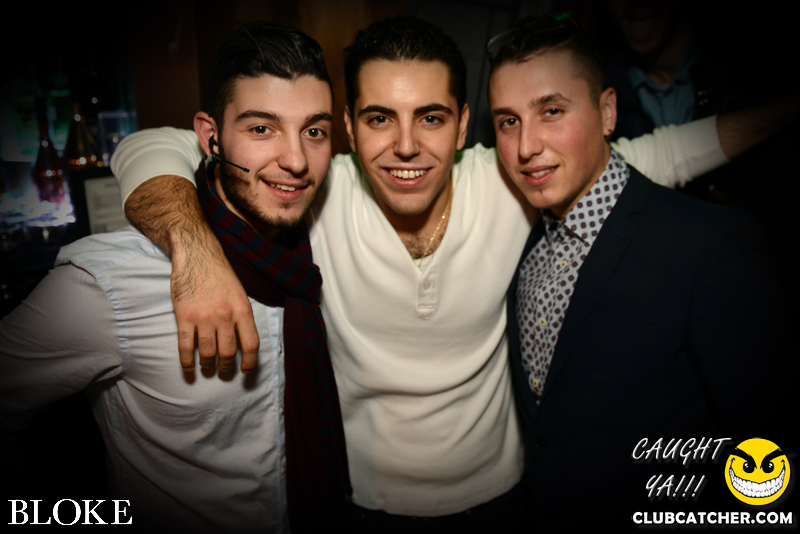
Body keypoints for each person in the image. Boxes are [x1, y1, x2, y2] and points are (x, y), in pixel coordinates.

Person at [109, 16, 757, 532]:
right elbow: (152, 144)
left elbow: (663, 154)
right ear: (347, 128)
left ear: (464, 125)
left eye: (431, 118)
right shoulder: (316, 189)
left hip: (507, 500)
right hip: (359, 507)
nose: (406, 145)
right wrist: (193, 246)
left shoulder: (506, 180)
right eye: (379, 118)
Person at [0, 22, 349, 533]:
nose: (295, 160)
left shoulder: (325, 232)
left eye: (314, 131)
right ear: (209, 136)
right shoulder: (111, 284)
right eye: (261, 129)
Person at [488, 12, 793, 528]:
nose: (526, 147)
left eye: (552, 111)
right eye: (508, 122)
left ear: (607, 112)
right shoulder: (522, 244)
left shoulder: (705, 245)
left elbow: (769, 449)